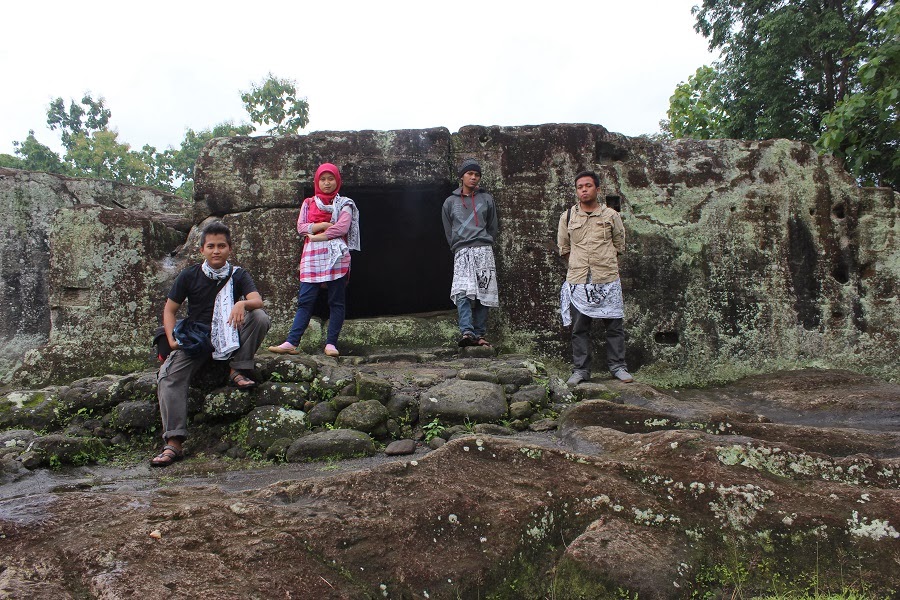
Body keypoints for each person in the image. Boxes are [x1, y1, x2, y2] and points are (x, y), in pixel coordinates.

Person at [152, 221, 271, 467]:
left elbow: (257, 301)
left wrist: (241, 304)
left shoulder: (238, 275)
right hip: (197, 337)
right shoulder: (189, 275)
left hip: (228, 335)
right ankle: (173, 442)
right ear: (202, 250)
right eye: (211, 246)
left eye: (221, 246)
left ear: (230, 248)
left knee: (259, 317)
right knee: (169, 377)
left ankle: (237, 367)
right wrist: (172, 338)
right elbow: (170, 309)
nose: (216, 251)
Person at [269, 163, 360, 357]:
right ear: (317, 182)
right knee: (305, 301)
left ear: (338, 181)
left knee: (336, 301)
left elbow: (343, 228)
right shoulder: (309, 203)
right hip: (312, 258)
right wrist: (324, 224)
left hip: (336, 257)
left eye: (331, 179)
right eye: (323, 179)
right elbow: (301, 227)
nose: (327, 183)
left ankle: (331, 344)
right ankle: (292, 342)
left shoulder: (345, 203)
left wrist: (319, 236)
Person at [557, 170, 633, 385]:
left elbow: (619, 244)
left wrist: (603, 262)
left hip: (607, 278)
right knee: (580, 328)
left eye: (588, 186)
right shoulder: (568, 216)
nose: (584, 190)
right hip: (579, 280)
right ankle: (581, 370)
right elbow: (563, 247)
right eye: (580, 187)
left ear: (597, 189)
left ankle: (618, 367)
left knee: (614, 326)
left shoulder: (611, 216)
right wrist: (580, 264)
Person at [441, 158, 500, 348]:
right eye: (470, 174)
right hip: (462, 251)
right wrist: (458, 246)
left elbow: (492, 226)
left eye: (477, 175)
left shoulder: (487, 199)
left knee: (484, 293)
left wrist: (482, 241)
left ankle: (480, 334)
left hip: (483, 250)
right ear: (462, 177)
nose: (473, 178)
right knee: (462, 292)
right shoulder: (450, 202)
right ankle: (467, 332)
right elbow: (448, 230)